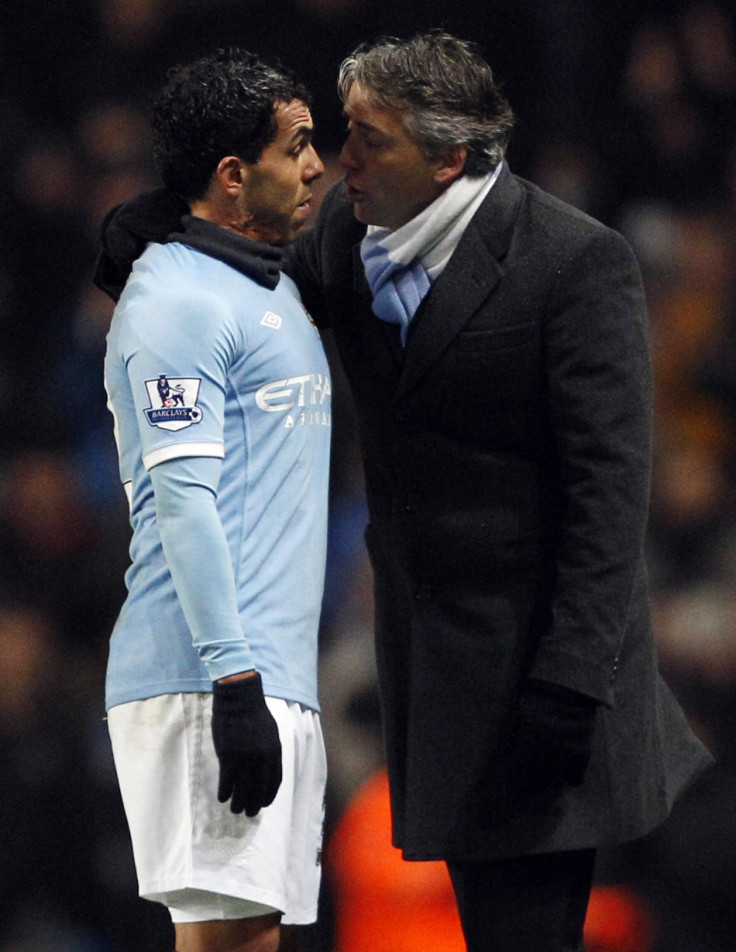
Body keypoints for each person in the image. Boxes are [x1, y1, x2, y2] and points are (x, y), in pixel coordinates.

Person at [95, 32, 713, 952]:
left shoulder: (574, 262)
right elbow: (226, 268)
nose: (342, 159)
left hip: (548, 670)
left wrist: (573, 683)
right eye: (344, 131)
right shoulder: (347, 234)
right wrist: (150, 219)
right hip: (435, 669)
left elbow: (611, 495)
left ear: (448, 157)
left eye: (370, 140)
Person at [97, 49, 329, 952]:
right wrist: (235, 683)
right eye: (298, 147)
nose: (318, 166)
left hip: (263, 672)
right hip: (210, 674)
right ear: (235, 177)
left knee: (246, 939)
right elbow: (182, 499)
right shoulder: (178, 302)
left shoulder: (259, 282)